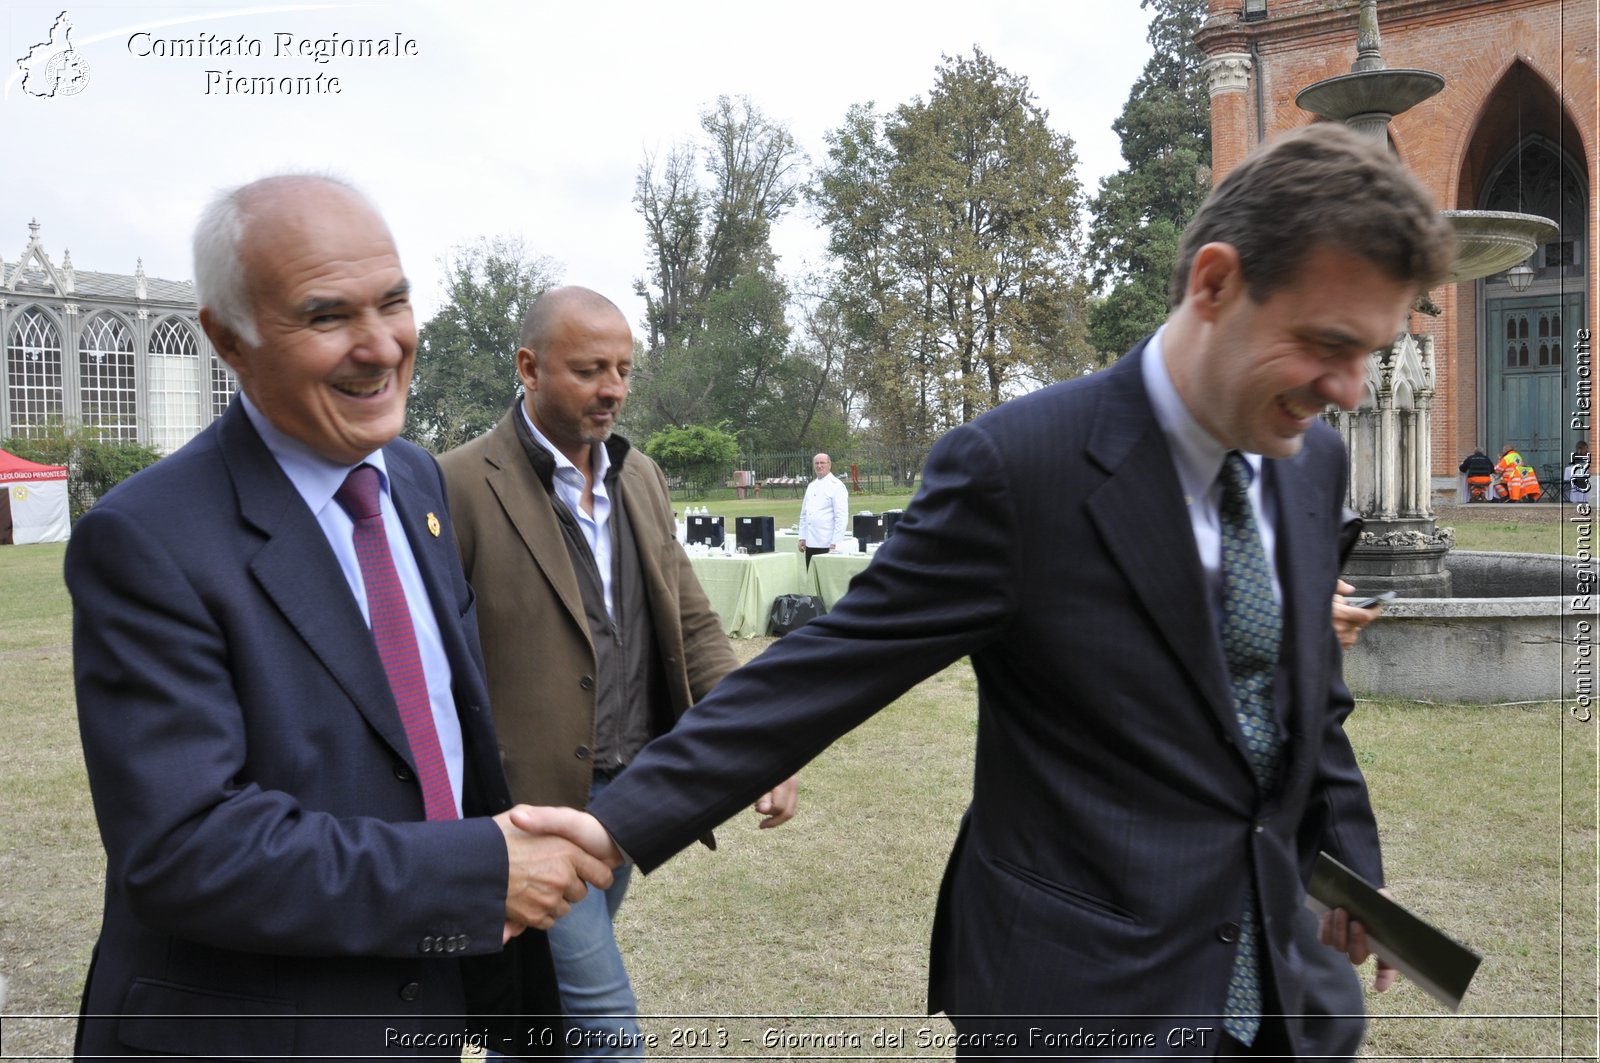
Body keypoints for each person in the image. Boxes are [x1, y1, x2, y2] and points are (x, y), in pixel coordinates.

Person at [526, 123, 1457, 1058]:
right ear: (1215, 284)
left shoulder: (1311, 463)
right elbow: (825, 671)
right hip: (1081, 1004)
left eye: (1369, 352)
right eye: (1326, 343)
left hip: (1278, 999)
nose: (1347, 389)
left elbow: (1304, 702)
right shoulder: (1022, 470)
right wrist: (608, 829)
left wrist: (1350, 870)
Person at [66, 175, 611, 1059]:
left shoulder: (416, 482)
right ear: (226, 337)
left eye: (393, 301)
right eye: (326, 316)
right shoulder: (145, 539)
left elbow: (433, 741)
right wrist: (477, 873)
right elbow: (185, 851)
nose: (380, 345)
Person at [439, 286, 797, 1059]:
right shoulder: (456, 485)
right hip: (528, 815)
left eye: (625, 369)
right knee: (604, 1031)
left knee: (537, 1020)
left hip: (635, 795)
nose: (614, 389)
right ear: (528, 367)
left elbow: (694, 622)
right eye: (591, 368)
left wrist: (762, 740)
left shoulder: (642, 477)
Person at [797, 452, 849, 565]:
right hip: (810, 543)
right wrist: (802, 537)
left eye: (822, 463)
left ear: (829, 465)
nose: (819, 466)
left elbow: (841, 517)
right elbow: (804, 514)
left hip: (827, 543)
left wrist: (836, 542)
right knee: (811, 578)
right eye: (816, 463)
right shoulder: (811, 486)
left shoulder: (837, 486)